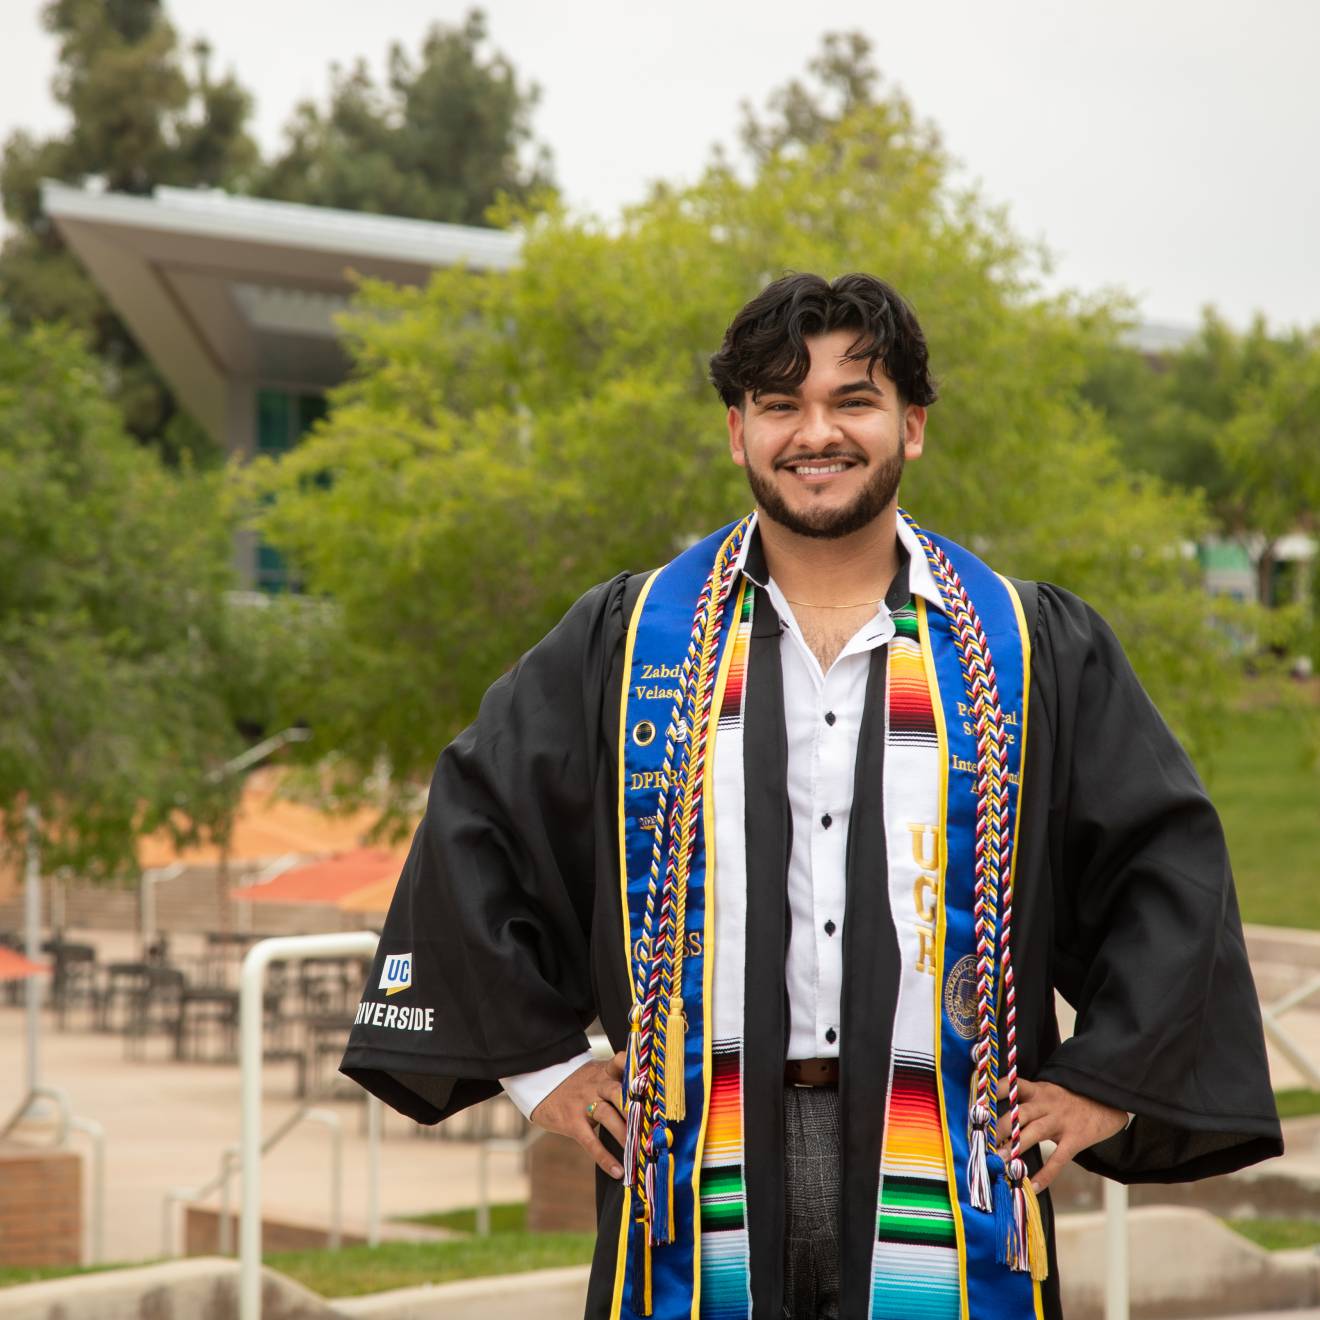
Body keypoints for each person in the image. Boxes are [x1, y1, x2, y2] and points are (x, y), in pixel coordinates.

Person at [341, 273, 1282, 1320]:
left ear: (912, 426)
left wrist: (1107, 1082)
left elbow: (1166, 862)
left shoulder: (1023, 646)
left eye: (854, 401)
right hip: (701, 1156)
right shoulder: (636, 638)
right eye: (781, 404)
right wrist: (543, 1071)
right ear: (737, 431)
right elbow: (479, 818)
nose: (815, 433)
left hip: (945, 1154)